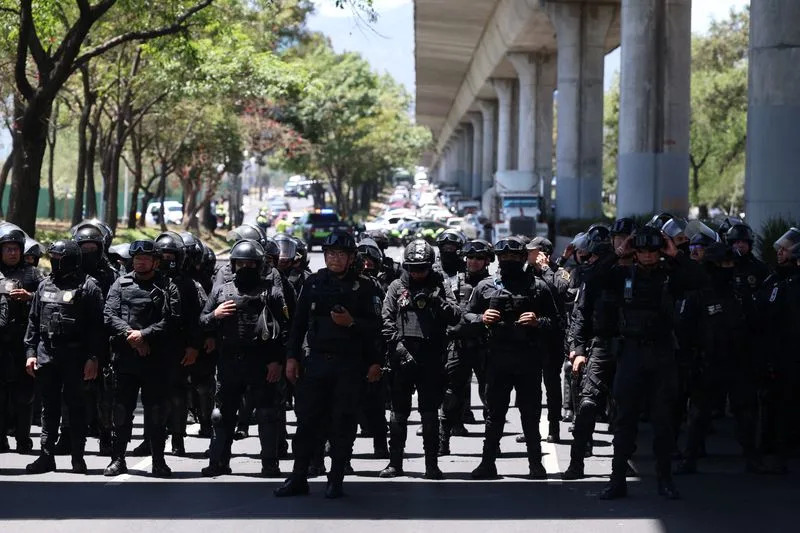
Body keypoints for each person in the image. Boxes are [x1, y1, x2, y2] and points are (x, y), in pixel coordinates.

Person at [591, 226, 706, 500]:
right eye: (641, 251)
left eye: (652, 251)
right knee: (624, 421)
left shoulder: (671, 276)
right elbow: (593, 279)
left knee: (664, 421)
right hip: (630, 352)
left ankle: (664, 480)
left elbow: (701, 280)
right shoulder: (622, 274)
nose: (647, 257)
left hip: (662, 354)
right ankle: (617, 480)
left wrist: (675, 254)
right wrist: (618, 252)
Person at [274, 231, 382, 499]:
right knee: (307, 422)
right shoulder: (313, 283)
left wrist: (355, 326)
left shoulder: (366, 287)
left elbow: (379, 330)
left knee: (342, 424)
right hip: (317, 363)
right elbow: (298, 324)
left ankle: (336, 478)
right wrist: (291, 358)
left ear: (351, 257)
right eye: (330, 254)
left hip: (350, 365)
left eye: (340, 254)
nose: (334, 259)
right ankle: (299, 476)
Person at [465, 236, 558, 479]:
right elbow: (465, 317)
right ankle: (488, 463)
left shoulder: (538, 287)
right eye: (503, 257)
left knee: (530, 414)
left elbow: (558, 323)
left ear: (521, 258)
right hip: (497, 359)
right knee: (494, 414)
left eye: (513, 257)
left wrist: (538, 322)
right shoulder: (485, 286)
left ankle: (536, 465)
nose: (508, 261)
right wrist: (482, 319)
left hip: (528, 359)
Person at [200, 239, 289, 477]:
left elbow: (287, 331)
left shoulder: (273, 293)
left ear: (259, 265)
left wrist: (277, 361)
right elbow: (201, 321)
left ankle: (270, 463)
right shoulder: (221, 290)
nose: (246, 268)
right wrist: (215, 315)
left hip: (262, 362)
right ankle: (218, 461)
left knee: (268, 414)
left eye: (251, 263)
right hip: (229, 361)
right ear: (233, 265)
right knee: (222, 415)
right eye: (241, 264)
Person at [378, 239, 460, 480]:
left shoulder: (441, 284)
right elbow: (385, 320)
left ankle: (431, 464)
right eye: (412, 268)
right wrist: (400, 349)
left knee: (429, 413)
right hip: (402, 355)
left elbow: (457, 315)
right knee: (398, 412)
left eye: (422, 268)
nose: (417, 273)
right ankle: (395, 462)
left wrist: (440, 303)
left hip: (431, 357)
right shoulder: (396, 286)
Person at [23, 241, 104, 474]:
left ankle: (78, 458)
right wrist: (30, 353)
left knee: (76, 407)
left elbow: (97, 328)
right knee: (48, 409)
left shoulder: (88, 287)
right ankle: (46, 456)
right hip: (47, 355)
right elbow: (33, 321)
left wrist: (93, 358)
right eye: (53, 257)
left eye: (60, 258)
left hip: (76, 357)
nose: (56, 262)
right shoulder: (45, 285)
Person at [103, 240, 181, 478]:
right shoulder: (121, 283)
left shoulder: (168, 286)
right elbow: (109, 315)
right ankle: (118, 460)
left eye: (145, 258)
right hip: (126, 359)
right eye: (136, 258)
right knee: (121, 411)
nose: (139, 261)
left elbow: (173, 320)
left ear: (156, 262)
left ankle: (159, 461)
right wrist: (131, 336)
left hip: (156, 360)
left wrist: (145, 335)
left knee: (157, 413)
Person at [439, 238, 493, 456]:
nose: (474, 262)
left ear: (488, 261)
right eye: (470, 257)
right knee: (451, 395)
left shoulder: (493, 284)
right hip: (458, 346)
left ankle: (491, 444)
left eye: (479, 258)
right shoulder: (453, 282)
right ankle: (443, 441)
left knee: (490, 395)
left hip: (484, 347)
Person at [155, 232, 205, 456]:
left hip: (178, 347)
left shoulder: (187, 284)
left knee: (177, 394)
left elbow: (196, 318)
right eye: (162, 255)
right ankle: (151, 439)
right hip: (151, 346)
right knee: (153, 396)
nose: (167, 259)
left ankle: (177, 439)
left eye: (170, 255)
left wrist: (194, 346)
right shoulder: (145, 279)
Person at [0, 224, 44, 454]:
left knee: (23, 396)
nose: (12, 253)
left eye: (15, 249)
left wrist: (30, 296)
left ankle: (23, 439)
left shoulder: (32, 274)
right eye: (7, 249)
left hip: (22, 342)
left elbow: (50, 296)